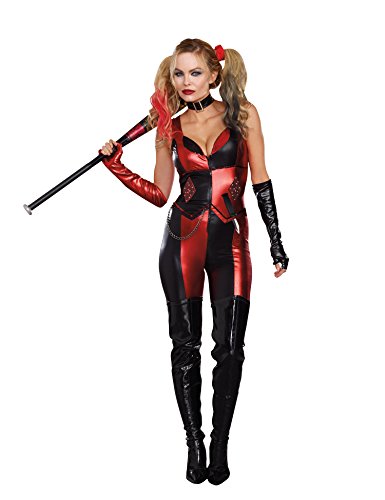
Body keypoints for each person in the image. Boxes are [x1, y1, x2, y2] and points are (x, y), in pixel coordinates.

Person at [98, 38, 289, 485]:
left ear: (214, 75)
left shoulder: (243, 114)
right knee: (185, 347)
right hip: (182, 241)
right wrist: (116, 165)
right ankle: (194, 442)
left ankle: (220, 443)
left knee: (231, 349)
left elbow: (261, 180)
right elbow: (159, 193)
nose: (186, 82)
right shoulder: (169, 126)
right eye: (179, 74)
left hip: (232, 242)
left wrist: (276, 242)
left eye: (195, 72)